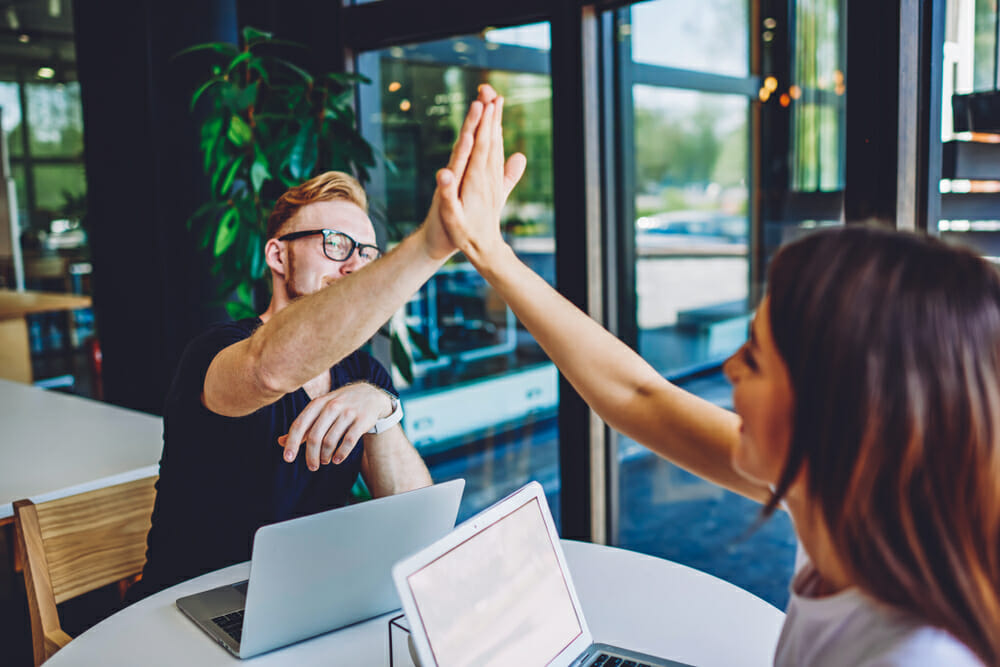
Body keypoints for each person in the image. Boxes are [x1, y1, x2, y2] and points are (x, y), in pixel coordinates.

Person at [434, 86, 999, 664]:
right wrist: (489, 252)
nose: (728, 369)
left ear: (836, 412)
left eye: (753, 357)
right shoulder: (848, 505)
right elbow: (638, 396)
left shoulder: (915, 654)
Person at [128, 86, 526, 601]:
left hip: (303, 606)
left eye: (365, 251)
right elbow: (271, 370)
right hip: (188, 611)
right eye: (335, 244)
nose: (355, 264)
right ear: (278, 256)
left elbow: (416, 523)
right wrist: (432, 245)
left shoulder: (363, 373)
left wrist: (383, 409)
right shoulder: (214, 353)